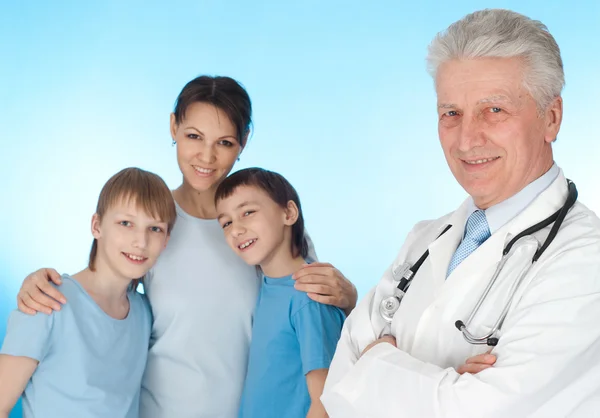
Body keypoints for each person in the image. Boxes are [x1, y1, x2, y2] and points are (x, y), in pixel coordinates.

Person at [14, 76, 358, 418]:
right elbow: (103, 297)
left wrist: (350, 298)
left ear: (243, 143)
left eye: (224, 142)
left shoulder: (263, 226)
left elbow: (310, 314)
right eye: (194, 136)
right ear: (173, 128)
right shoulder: (153, 223)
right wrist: (45, 284)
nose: (206, 156)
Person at [321, 8, 600, 418]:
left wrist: (377, 362)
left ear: (551, 118)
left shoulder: (584, 259)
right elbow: (336, 389)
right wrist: (444, 383)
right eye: (451, 113)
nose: (467, 139)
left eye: (494, 110)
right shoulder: (424, 239)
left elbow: (484, 411)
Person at [0, 167, 176, 418]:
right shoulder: (46, 301)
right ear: (97, 226)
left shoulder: (145, 313)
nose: (141, 241)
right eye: (126, 223)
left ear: (167, 239)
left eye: (155, 228)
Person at [215, 167, 345, 418]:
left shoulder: (309, 297)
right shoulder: (267, 286)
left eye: (248, 212)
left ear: (288, 213)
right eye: (226, 223)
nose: (236, 229)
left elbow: (325, 404)